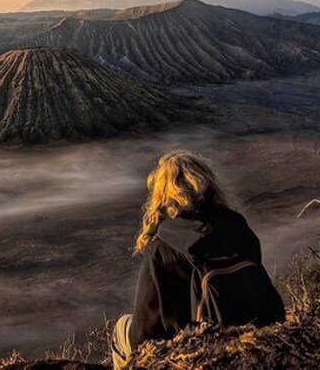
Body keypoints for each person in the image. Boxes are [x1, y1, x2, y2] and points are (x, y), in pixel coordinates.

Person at [111, 150, 285, 369]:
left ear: (162, 195)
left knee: (122, 327)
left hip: (195, 346)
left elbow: (144, 331)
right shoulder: (237, 225)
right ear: (208, 184)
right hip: (252, 333)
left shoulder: (162, 248)